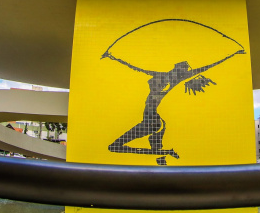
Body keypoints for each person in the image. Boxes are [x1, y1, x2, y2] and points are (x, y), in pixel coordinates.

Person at [103, 49, 245, 165]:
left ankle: (165, 155)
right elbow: (136, 68)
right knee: (153, 148)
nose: (184, 73)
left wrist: (232, 54)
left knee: (125, 144)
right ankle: (165, 154)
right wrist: (114, 58)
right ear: (177, 69)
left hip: (154, 116)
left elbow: (206, 67)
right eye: (183, 70)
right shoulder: (160, 75)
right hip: (152, 115)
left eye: (185, 71)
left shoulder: (179, 77)